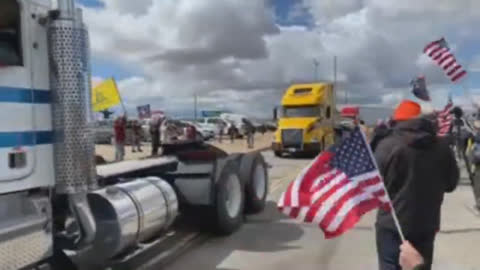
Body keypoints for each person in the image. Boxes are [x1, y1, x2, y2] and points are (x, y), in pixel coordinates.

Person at [374, 100, 459, 270]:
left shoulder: (387, 145)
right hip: (426, 225)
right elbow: (451, 184)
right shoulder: (442, 147)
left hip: (392, 224)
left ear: (397, 121)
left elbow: (373, 185)